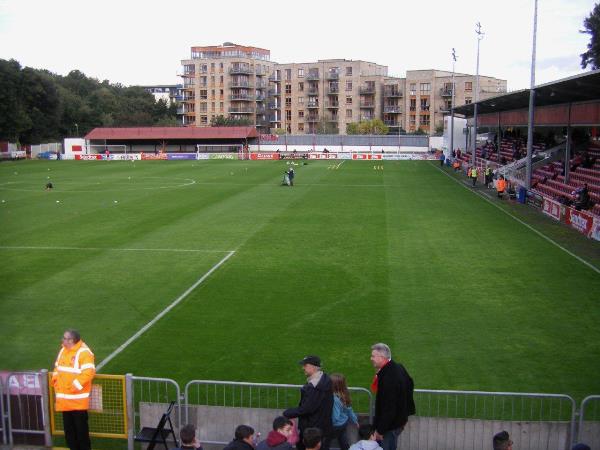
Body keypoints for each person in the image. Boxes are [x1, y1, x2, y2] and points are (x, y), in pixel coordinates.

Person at [52, 329, 95, 450]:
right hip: (65, 402)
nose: (62, 340)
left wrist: (73, 387)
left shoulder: (84, 353)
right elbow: (57, 368)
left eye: (65, 338)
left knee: (81, 434)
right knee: (69, 434)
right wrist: (55, 381)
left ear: (71, 340)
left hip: (77, 403)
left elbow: (88, 373)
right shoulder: (63, 350)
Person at [370, 343, 415, 450]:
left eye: (373, 356)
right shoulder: (399, 367)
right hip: (398, 422)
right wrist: (405, 415)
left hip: (389, 427)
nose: (371, 358)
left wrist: (380, 430)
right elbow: (410, 386)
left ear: (382, 357)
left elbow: (389, 409)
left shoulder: (388, 379)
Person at [283, 356, 333, 450]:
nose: (303, 368)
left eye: (305, 365)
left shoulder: (314, 387)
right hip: (322, 428)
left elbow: (307, 409)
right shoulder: (324, 380)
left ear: (314, 367)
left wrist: (288, 413)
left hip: (313, 431)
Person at [331, 373, 358, 450]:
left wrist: (327, 422)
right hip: (343, 423)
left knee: (325, 439)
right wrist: (355, 420)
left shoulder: (334, 399)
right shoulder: (344, 395)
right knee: (343, 440)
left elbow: (335, 417)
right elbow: (349, 410)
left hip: (335, 426)